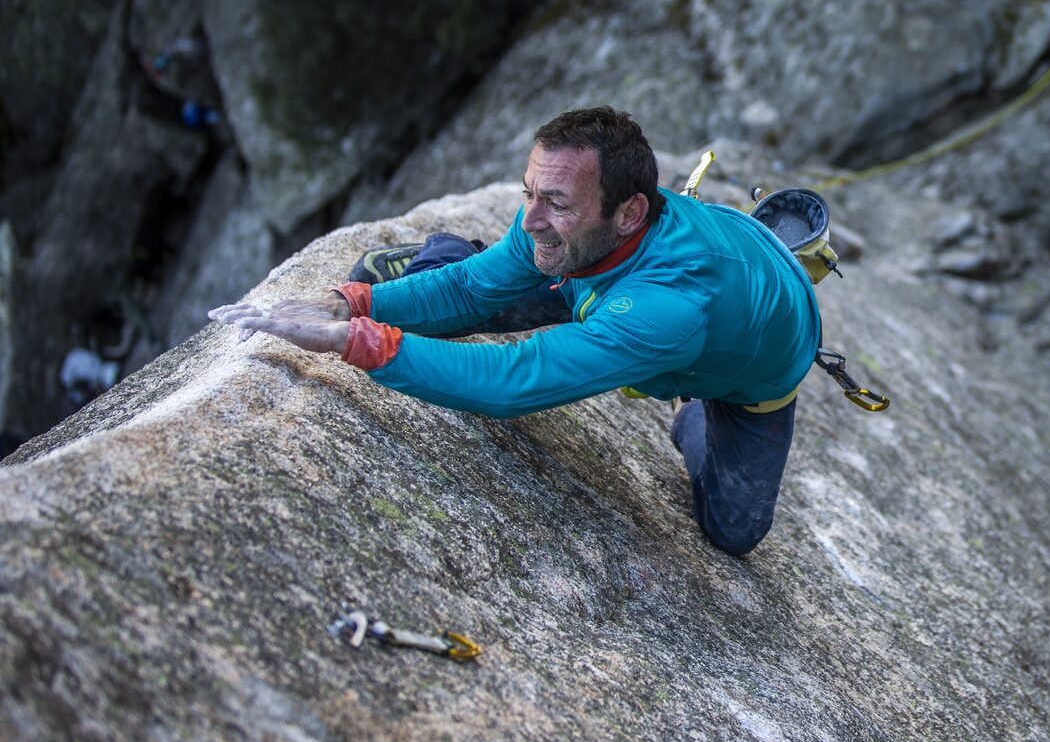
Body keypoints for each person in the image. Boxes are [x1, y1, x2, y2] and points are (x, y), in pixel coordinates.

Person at [210, 106, 821, 556]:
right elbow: (467, 288)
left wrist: (359, 343)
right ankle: (445, 251)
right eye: (531, 193)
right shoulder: (584, 223)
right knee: (487, 283)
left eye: (555, 203)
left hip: (744, 371)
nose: (529, 219)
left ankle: (696, 416)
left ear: (630, 211)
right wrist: (352, 302)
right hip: (607, 283)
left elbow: (514, 380)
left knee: (734, 531)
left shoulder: (671, 308)